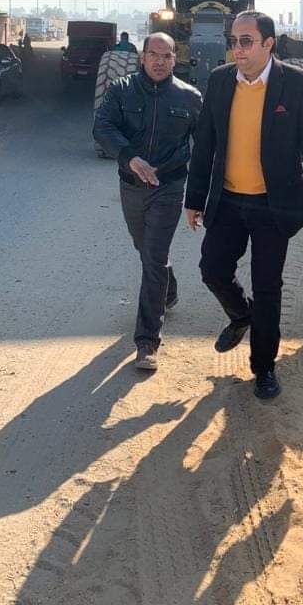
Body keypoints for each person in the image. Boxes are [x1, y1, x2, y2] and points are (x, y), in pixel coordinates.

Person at [185, 10, 303, 400]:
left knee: (268, 286)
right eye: (233, 41)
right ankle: (242, 316)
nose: (237, 49)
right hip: (228, 201)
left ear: (268, 44)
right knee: (212, 269)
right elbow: (204, 145)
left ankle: (264, 367)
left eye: (246, 41)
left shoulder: (299, 85)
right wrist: (194, 199)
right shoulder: (220, 81)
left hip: (274, 205)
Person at [93, 32, 202, 371]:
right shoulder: (121, 90)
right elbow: (102, 128)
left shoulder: (190, 97)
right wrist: (129, 157)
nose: (160, 61)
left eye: (167, 56)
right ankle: (168, 289)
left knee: (153, 257)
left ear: (175, 59)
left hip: (168, 188)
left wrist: (201, 194)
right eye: (154, 54)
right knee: (145, 249)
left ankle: (147, 342)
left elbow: (205, 146)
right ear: (142, 57)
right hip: (131, 186)